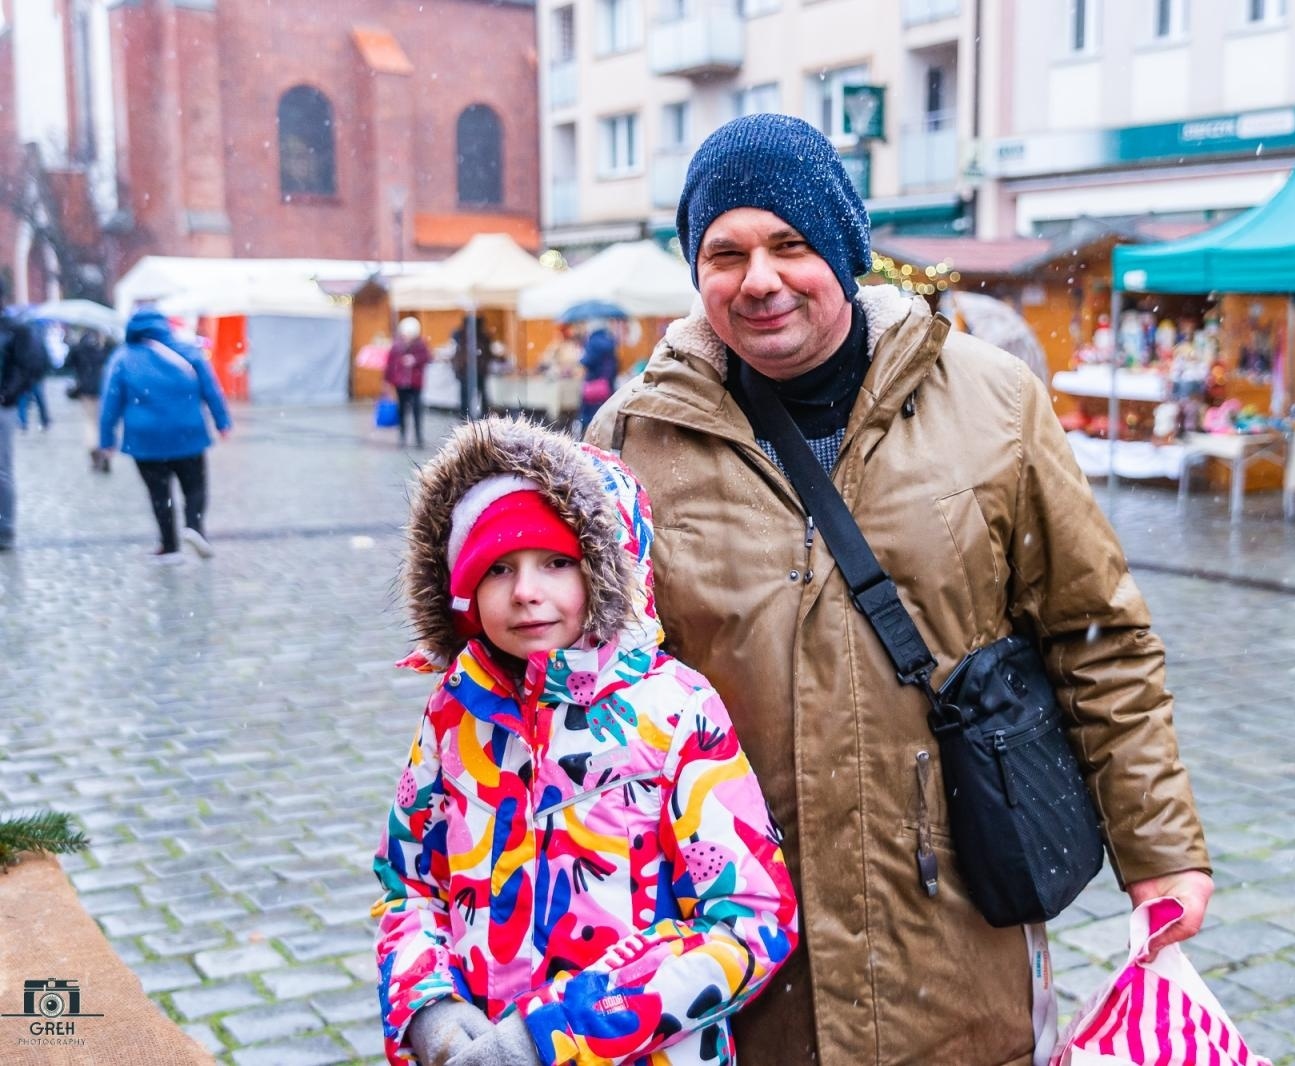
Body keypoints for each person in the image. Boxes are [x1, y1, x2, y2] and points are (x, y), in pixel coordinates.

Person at [587, 113, 1213, 1066]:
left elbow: (1097, 639)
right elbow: (586, 695)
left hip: (954, 912)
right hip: (738, 938)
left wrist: (1160, 851)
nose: (759, 279)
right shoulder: (631, 440)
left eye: (789, 244)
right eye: (726, 253)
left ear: (844, 249)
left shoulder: (994, 403)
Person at [372, 417, 798, 1066]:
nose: (526, 593)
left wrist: (551, 1038)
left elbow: (748, 922)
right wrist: (429, 1009)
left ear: (601, 571)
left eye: (555, 563)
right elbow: (411, 885)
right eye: (498, 569)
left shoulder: (673, 711)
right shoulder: (453, 716)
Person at [98, 308, 232, 564]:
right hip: (188, 433)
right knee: (194, 487)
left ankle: (169, 546)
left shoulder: (123, 358)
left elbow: (110, 403)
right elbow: (211, 389)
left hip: (145, 439)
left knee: (160, 494)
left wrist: (106, 440)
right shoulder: (189, 352)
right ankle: (194, 527)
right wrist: (222, 422)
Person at [0, 285, 50, 551]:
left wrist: (8, 394)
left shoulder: (14, 329)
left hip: (2, 407)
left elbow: (30, 365)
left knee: (1, 470)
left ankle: (4, 528)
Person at [64, 328, 114, 472]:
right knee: (103, 422)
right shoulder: (107, 346)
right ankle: (105, 452)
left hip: (86, 388)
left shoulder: (81, 346)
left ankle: (94, 450)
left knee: (90, 422)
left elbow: (67, 363)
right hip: (104, 388)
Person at [384, 316, 431, 448]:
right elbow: (390, 364)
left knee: (417, 410)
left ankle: (418, 437)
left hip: (415, 383)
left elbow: (428, 357)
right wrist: (387, 381)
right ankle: (402, 435)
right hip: (401, 383)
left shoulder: (420, 345)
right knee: (402, 410)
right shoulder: (396, 346)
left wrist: (414, 359)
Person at [577, 322, 617, 432]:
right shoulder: (610, 342)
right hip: (607, 383)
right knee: (604, 412)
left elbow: (587, 361)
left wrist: (581, 358)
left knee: (589, 415)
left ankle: (587, 435)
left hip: (594, 383)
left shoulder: (592, 342)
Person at [450, 313, 493, 418]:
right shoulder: (467, 336)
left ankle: (470, 414)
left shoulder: (467, 336)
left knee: (474, 394)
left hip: (473, 370)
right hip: (469, 370)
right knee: (472, 394)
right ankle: (471, 414)